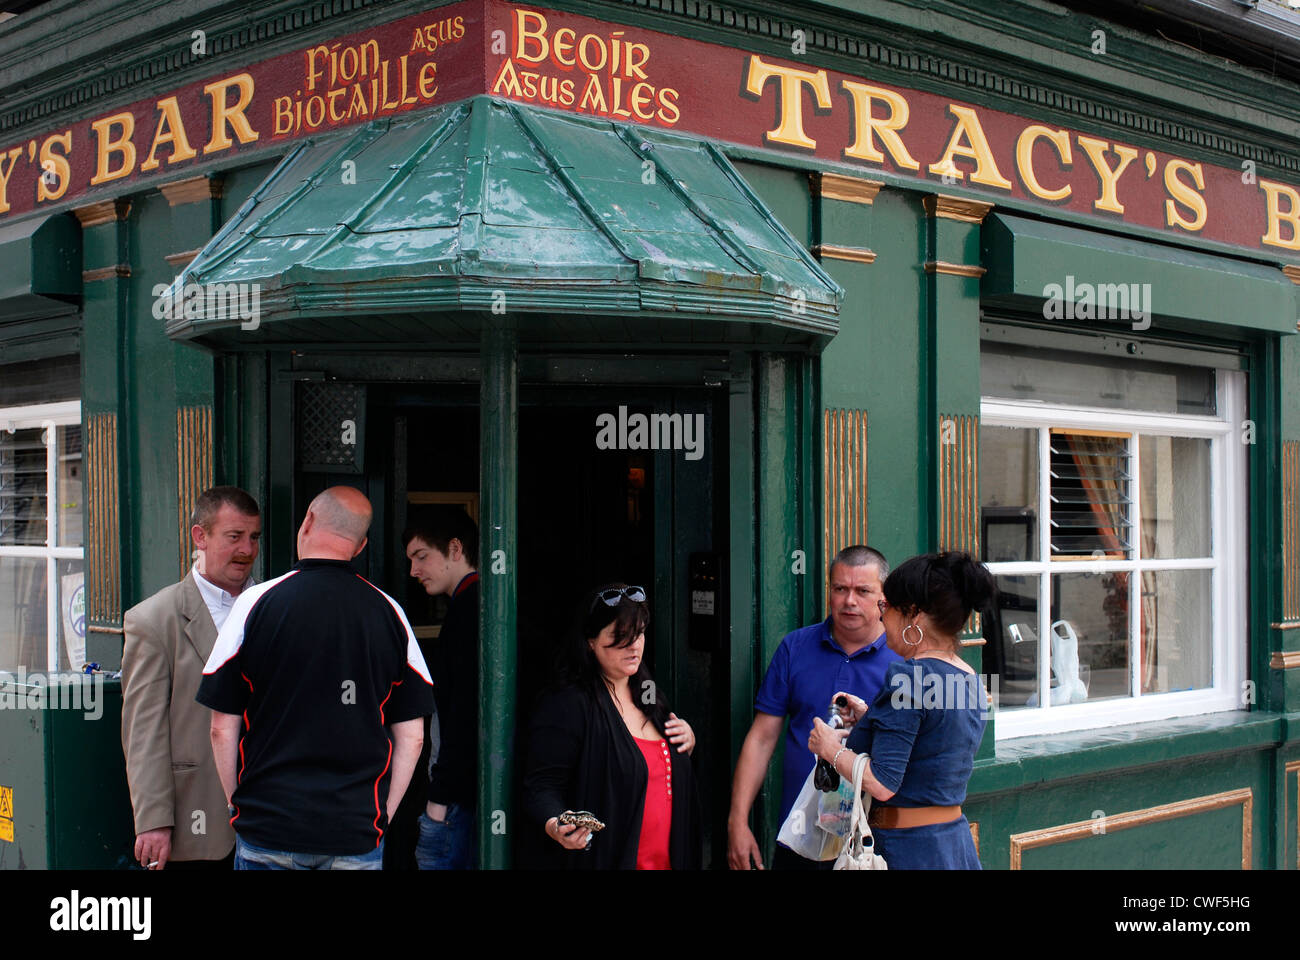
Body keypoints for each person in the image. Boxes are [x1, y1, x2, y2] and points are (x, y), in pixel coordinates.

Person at [196, 486, 434, 870]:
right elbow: (415, 735)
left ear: (307, 521)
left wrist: (236, 804)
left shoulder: (255, 603)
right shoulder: (391, 613)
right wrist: (380, 816)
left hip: (268, 826)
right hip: (354, 832)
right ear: (360, 546)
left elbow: (222, 728)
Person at [807, 551, 993, 869]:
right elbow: (935, 740)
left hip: (908, 849)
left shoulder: (909, 678)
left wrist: (829, 748)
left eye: (887, 606)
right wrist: (872, 717)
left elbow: (883, 783)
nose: (882, 616)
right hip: (953, 845)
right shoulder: (971, 677)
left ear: (913, 616)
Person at [728, 545, 901, 870]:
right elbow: (762, 739)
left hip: (871, 844)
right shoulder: (795, 647)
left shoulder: (903, 661)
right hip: (800, 838)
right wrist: (737, 821)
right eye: (840, 589)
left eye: (862, 590)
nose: (849, 600)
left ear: (884, 598)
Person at [120, 485, 261, 871]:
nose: (247, 549)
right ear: (200, 536)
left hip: (273, 821)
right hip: (197, 820)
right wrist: (153, 821)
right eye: (234, 537)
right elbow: (143, 731)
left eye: (253, 537)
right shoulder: (153, 620)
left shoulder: (275, 607)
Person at [521, 583, 702, 869]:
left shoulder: (648, 692)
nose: (634, 646)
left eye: (640, 633)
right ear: (590, 642)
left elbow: (664, 770)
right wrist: (556, 825)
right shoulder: (568, 703)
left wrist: (686, 741)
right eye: (620, 637)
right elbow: (540, 786)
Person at [403, 505, 479, 870]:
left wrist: (440, 794)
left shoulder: (469, 610)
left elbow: (464, 712)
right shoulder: (472, 605)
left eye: (421, 556)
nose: (413, 570)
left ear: (454, 549)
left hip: (456, 799)